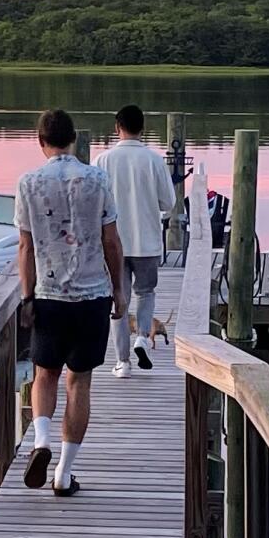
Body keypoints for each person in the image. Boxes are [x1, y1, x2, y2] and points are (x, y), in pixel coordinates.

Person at [14, 107, 123, 497]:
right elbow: (111, 241)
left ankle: (41, 440)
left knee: (44, 374)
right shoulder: (97, 179)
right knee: (79, 383)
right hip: (92, 296)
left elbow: (25, 247)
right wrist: (119, 290)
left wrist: (27, 296)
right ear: (74, 139)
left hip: (49, 295)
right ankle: (63, 473)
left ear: (40, 141)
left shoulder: (28, 183)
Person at [98, 105, 175, 376]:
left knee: (119, 301)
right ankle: (142, 335)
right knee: (146, 293)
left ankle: (123, 362)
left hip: (113, 243)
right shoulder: (154, 160)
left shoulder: (102, 161)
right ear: (143, 128)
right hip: (147, 242)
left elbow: (95, 203)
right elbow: (168, 202)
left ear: (117, 128)